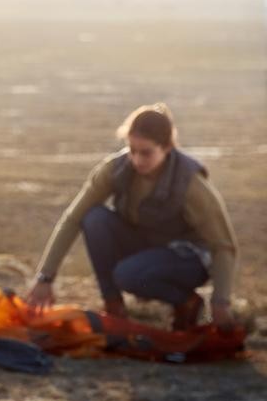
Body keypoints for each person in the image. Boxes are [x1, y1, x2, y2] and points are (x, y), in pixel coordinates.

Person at [25, 103, 240, 330]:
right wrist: (45, 278)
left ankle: (186, 302)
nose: (137, 160)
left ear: (167, 147)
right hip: (145, 247)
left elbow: (223, 246)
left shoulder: (190, 183)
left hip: (186, 258)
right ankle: (114, 308)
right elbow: (72, 218)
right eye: (132, 150)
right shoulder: (115, 169)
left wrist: (220, 303)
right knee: (94, 218)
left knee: (128, 275)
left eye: (146, 153)